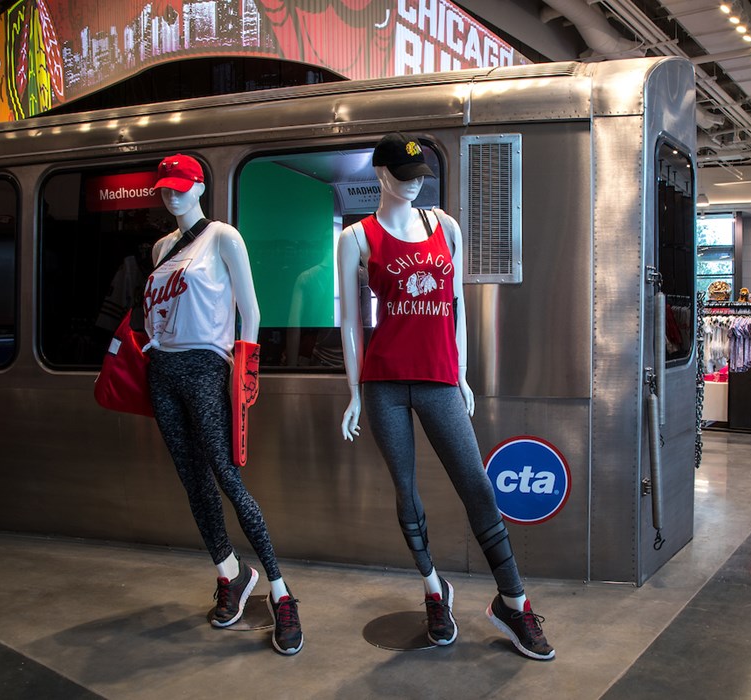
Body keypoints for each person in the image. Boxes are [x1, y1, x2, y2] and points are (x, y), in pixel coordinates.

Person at [337, 133, 555, 661]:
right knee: (406, 495)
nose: (414, 186)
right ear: (382, 175)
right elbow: (349, 322)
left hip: (438, 378)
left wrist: (462, 375)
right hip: (384, 381)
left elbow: (456, 307)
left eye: (420, 177)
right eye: (404, 176)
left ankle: (513, 602)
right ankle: (435, 588)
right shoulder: (357, 237)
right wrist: (353, 392)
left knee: (477, 487)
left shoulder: (444, 226)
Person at [143, 154, 302, 655]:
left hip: (207, 366)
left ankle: (280, 591)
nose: (172, 196)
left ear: (199, 188)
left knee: (228, 477)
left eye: (181, 187)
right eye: (166, 188)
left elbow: (250, 308)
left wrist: (246, 371)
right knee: (194, 481)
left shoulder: (223, 237)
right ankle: (228, 573)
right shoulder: (161, 248)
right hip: (162, 369)